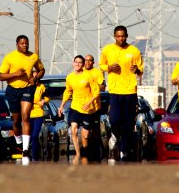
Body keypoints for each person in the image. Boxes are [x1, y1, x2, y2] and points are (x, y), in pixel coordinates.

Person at [99, 25, 143, 161]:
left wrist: (136, 69)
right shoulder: (107, 50)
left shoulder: (134, 50)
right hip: (115, 91)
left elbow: (140, 71)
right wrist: (109, 67)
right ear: (114, 37)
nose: (121, 38)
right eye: (118, 36)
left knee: (129, 123)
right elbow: (101, 65)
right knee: (114, 119)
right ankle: (114, 134)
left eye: (123, 36)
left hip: (130, 91)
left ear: (127, 36)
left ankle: (124, 150)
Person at [0, 35, 45, 165]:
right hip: (13, 90)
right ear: (17, 44)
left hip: (28, 89)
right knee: (16, 120)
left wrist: (36, 78)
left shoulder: (33, 57)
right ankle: (19, 141)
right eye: (22, 43)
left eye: (26, 43)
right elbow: (1, 76)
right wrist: (15, 74)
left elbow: (41, 69)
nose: (25, 45)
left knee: (25, 116)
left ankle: (25, 149)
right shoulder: (10, 57)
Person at [58, 55, 100, 165]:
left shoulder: (88, 76)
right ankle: (78, 153)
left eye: (80, 62)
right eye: (76, 62)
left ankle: (86, 151)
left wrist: (88, 103)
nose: (77, 64)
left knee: (85, 134)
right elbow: (67, 92)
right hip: (75, 107)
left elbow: (96, 92)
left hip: (87, 109)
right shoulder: (70, 77)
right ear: (73, 63)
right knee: (74, 129)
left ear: (83, 65)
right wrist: (61, 106)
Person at [84, 54, 106, 162]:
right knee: (85, 130)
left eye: (90, 60)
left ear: (93, 62)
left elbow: (103, 87)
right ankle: (86, 152)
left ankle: (97, 153)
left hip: (95, 107)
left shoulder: (97, 72)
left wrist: (95, 86)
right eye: (86, 60)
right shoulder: (81, 72)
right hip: (82, 107)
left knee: (95, 130)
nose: (87, 62)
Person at [29, 70, 49, 161]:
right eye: (34, 77)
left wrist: (43, 101)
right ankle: (26, 153)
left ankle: (34, 156)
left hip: (38, 114)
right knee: (28, 135)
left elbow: (47, 97)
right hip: (28, 114)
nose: (35, 78)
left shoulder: (41, 87)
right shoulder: (27, 87)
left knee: (34, 135)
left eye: (37, 77)